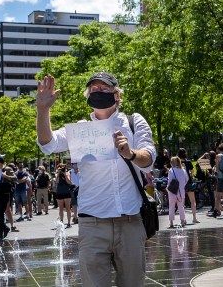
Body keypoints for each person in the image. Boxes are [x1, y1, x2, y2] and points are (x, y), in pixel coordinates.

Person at [36, 72, 156, 286]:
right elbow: (48, 143)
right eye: (94, 89)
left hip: (130, 221)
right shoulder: (81, 130)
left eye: (104, 89)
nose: (98, 92)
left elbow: (150, 159)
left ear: (117, 95)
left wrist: (131, 153)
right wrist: (43, 109)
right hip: (92, 224)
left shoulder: (133, 122)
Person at [177, 148, 199, 224]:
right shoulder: (188, 162)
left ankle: (183, 220)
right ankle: (194, 218)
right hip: (189, 182)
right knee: (193, 201)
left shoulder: (177, 162)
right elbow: (192, 172)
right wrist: (191, 176)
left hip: (180, 184)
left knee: (182, 203)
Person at [166, 156, 188, 227]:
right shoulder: (183, 170)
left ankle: (171, 222)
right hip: (181, 191)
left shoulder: (171, 170)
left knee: (171, 206)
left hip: (173, 191)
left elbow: (169, 181)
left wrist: (167, 188)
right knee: (181, 206)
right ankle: (182, 220)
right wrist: (182, 186)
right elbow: (186, 180)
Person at [55, 163, 72, 228]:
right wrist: (59, 174)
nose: (61, 169)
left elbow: (69, 182)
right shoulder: (57, 174)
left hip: (66, 192)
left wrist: (65, 175)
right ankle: (61, 222)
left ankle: (68, 223)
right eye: (60, 168)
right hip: (59, 192)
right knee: (61, 209)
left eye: (62, 168)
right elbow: (57, 182)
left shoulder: (67, 173)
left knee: (68, 208)